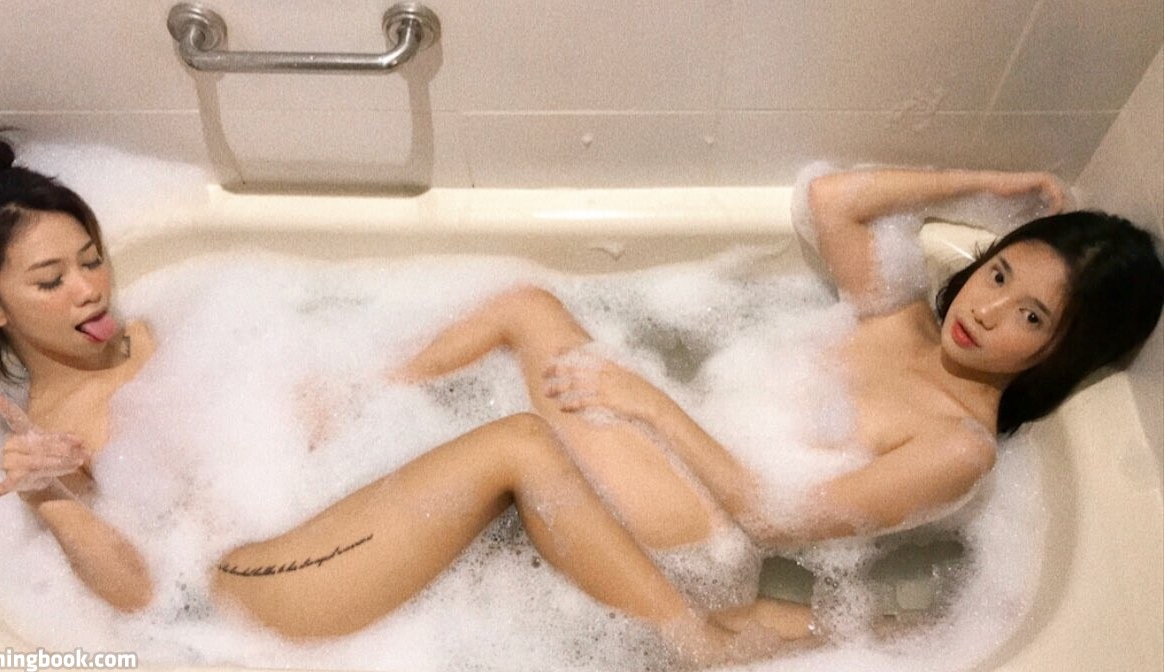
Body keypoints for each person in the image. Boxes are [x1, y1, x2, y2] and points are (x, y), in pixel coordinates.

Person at [0, 129, 798, 668]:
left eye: (90, 258)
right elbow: (138, 593)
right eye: (50, 279)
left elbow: (269, 398)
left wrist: (361, 385)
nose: (88, 288)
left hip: (332, 491)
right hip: (244, 584)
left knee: (521, 305)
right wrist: (54, 497)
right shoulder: (50, 437)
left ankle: (701, 538)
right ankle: (695, 642)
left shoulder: (172, 322)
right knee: (519, 443)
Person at [392, 166, 1164, 632]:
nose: (987, 310)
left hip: (696, 526)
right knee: (523, 304)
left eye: (1032, 316)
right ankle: (371, 405)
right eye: (999, 272)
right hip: (674, 462)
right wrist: (985, 188)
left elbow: (773, 517)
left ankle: (388, 452)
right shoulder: (902, 321)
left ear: (1061, 352)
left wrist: (649, 403)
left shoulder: (958, 446)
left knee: (520, 399)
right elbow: (830, 199)